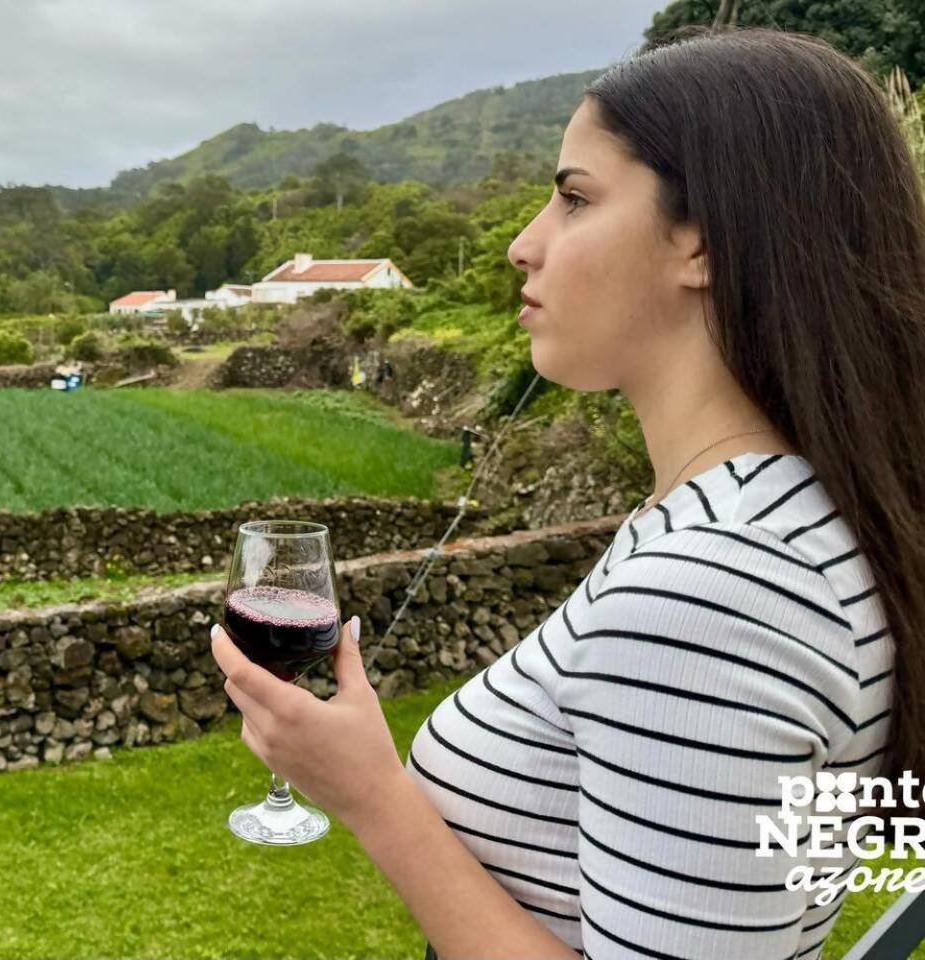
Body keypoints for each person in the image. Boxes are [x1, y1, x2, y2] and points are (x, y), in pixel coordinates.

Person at [210, 25, 925, 960]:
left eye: (576, 199)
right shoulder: (781, 519)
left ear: (704, 239)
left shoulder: (717, 592)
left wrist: (371, 795)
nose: (521, 245)